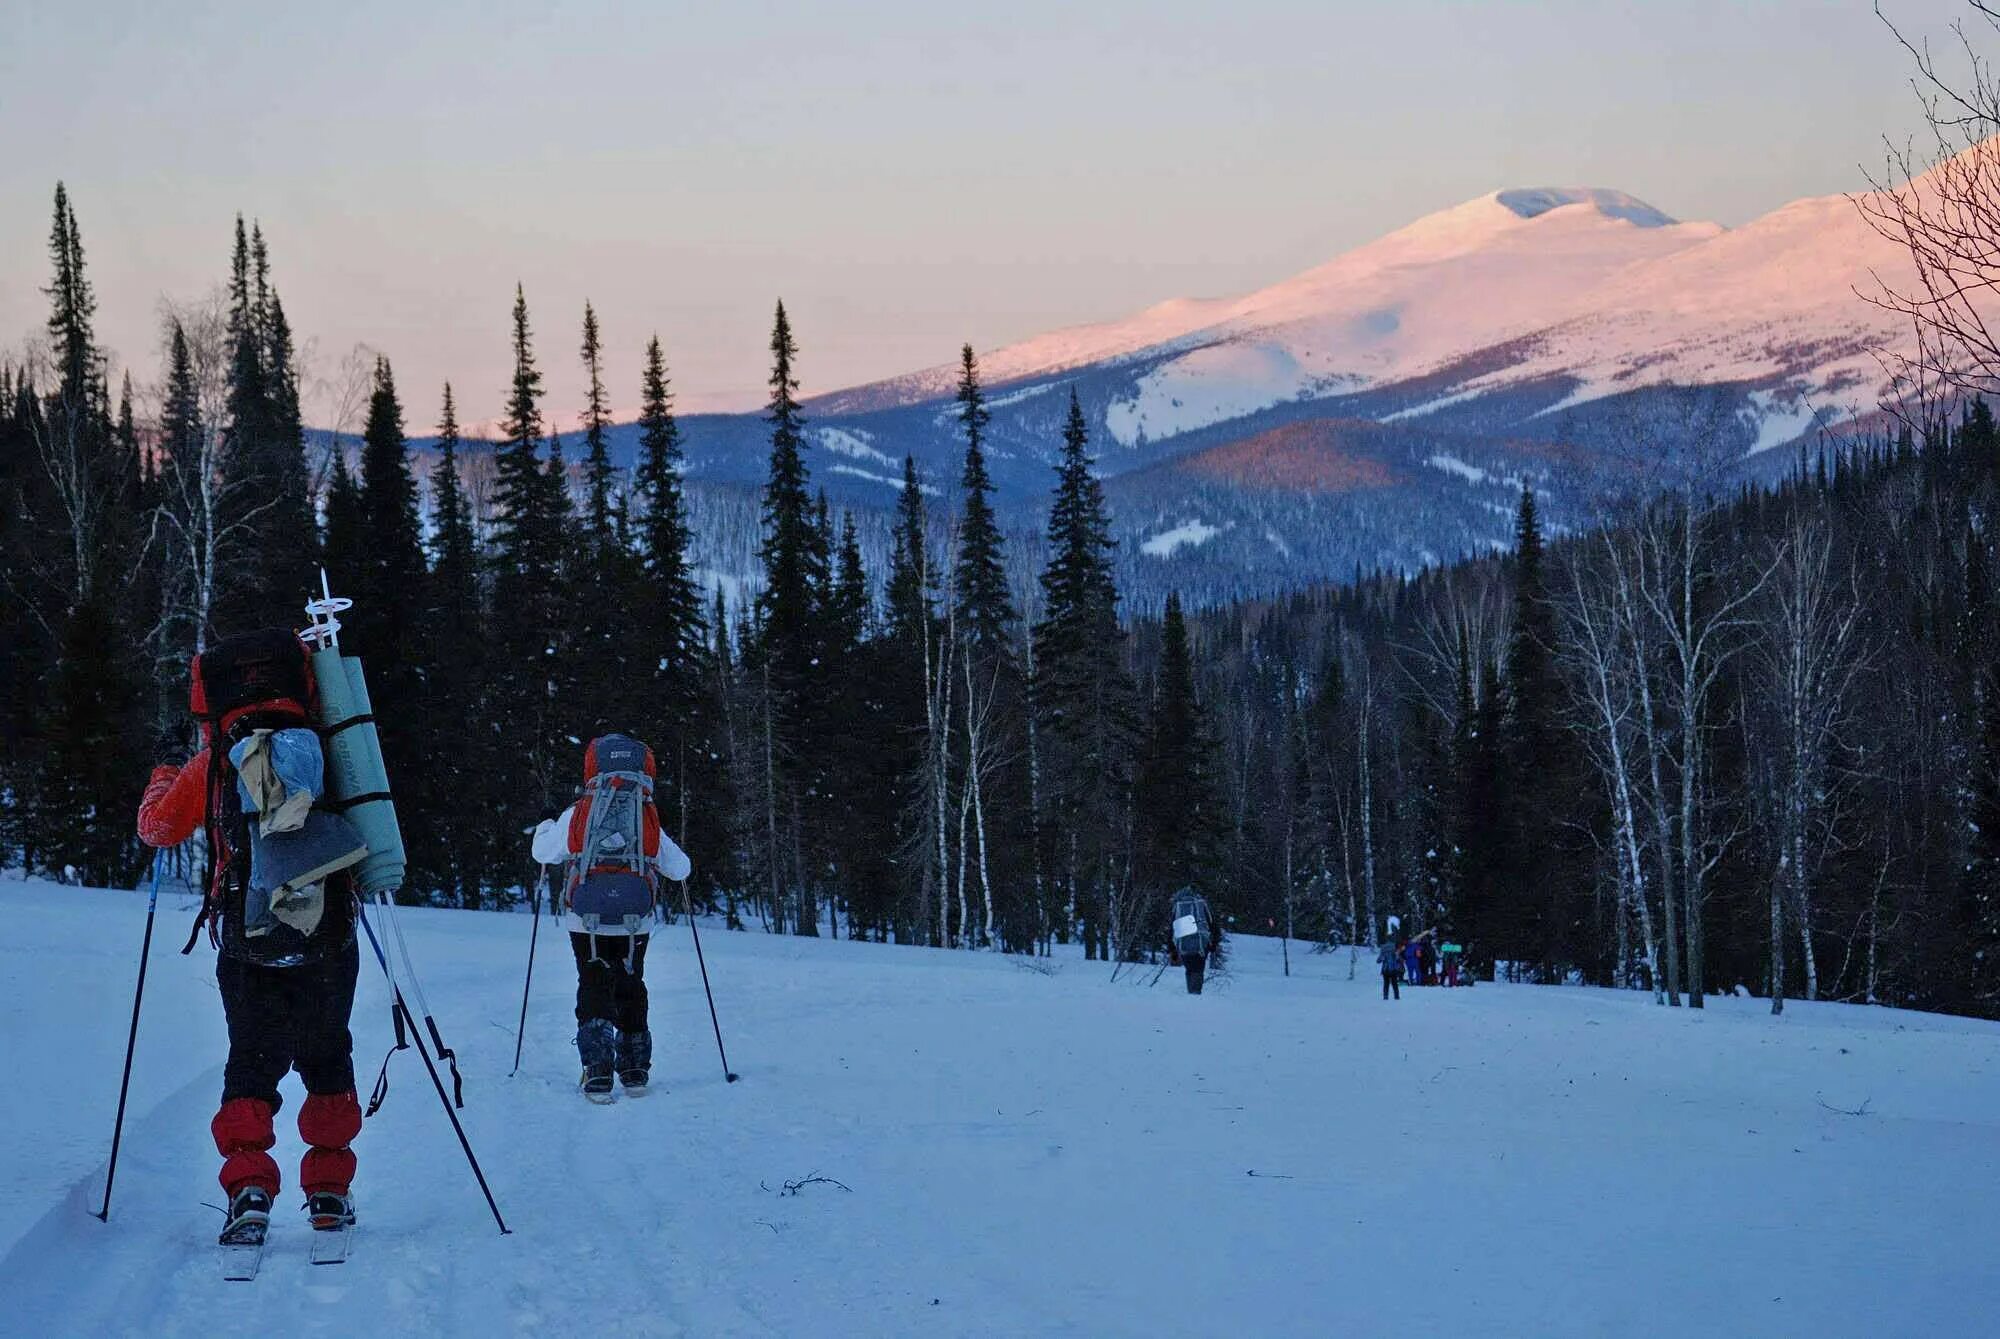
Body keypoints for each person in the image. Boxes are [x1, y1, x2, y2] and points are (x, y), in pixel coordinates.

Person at [136, 628, 364, 1248]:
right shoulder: (329, 747)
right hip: (329, 935)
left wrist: (165, 767)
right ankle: (329, 1194)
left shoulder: (215, 759)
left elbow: (157, 829)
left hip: (246, 938)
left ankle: (249, 1189)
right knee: (326, 1056)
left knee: (251, 1063)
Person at [532, 733, 691, 1101]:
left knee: (593, 983)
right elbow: (680, 868)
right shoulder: (644, 814)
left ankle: (598, 1071)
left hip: (584, 916)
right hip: (635, 917)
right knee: (631, 984)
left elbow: (544, 853)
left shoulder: (579, 814)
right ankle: (634, 1069)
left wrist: (545, 823)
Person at [1169, 888, 1216, 994]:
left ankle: (1191, 992)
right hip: (1201, 942)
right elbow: (1212, 923)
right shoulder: (1201, 904)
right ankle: (1195, 993)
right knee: (1198, 969)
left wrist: (1172, 949)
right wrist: (1214, 943)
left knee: (1189, 969)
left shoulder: (1178, 906)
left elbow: (1172, 928)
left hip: (1184, 943)